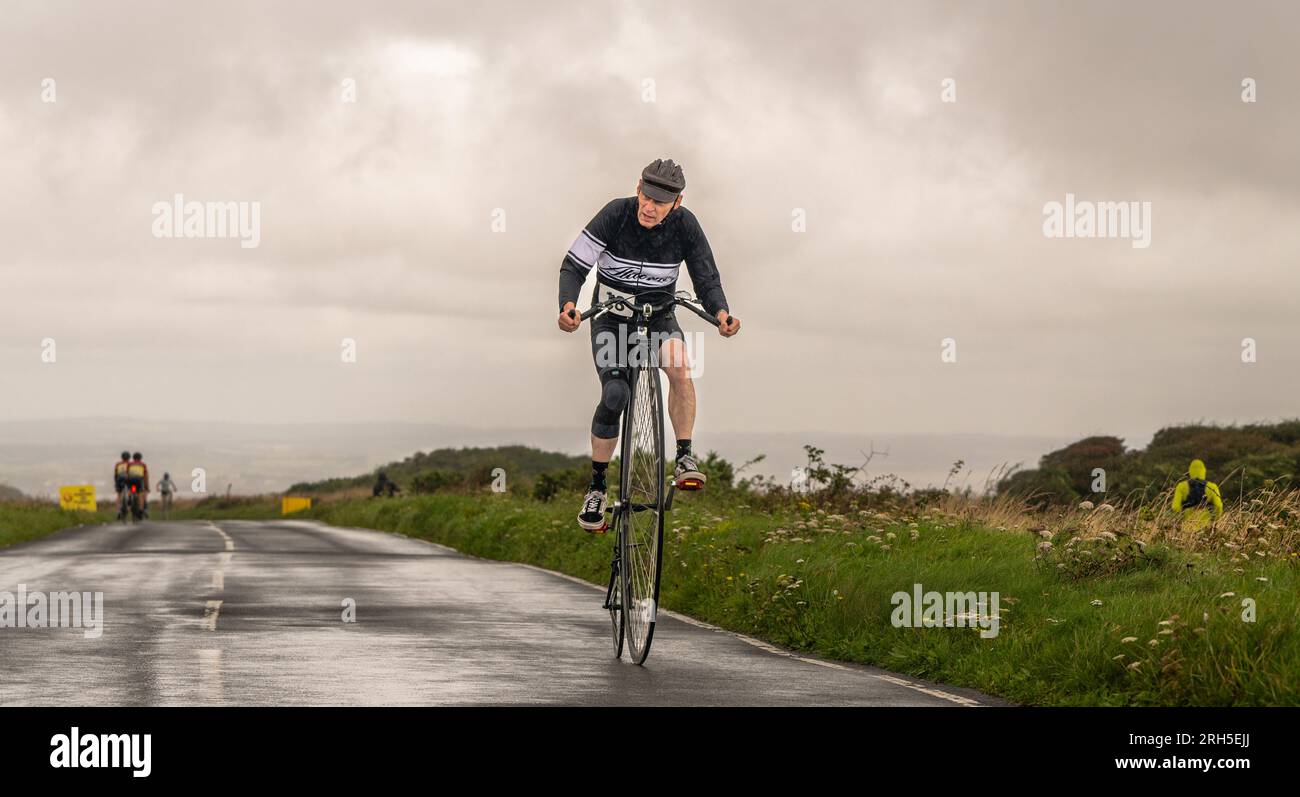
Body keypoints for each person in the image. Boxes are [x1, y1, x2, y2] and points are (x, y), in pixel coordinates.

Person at [556, 158, 740, 532]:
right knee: (616, 395)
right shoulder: (615, 214)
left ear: (678, 203)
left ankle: (685, 457)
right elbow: (574, 265)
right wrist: (569, 306)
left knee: (680, 367)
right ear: (637, 188)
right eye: (645, 196)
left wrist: (721, 312)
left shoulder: (686, 226)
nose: (649, 207)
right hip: (612, 316)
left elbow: (706, 278)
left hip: (659, 315)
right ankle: (597, 487)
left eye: (660, 202)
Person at [1171, 458, 1223, 529]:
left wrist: (1181, 518)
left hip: (1187, 527)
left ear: (1190, 470)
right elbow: (1219, 506)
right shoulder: (1212, 486)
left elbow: (1175, 507)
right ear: (1204, 470)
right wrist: (1215, 519)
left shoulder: (1181, 486)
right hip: (1206, 527)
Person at [125, 452, 150, 518]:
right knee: (140, 494)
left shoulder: (129, 464)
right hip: (139, 480)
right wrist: (146, 486)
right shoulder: (143, 464)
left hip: (131, 480)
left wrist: (127, 483)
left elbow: (127, 474)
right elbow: (145, 476)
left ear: (133, 458)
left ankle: (130, 499)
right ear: (140, 458)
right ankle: (141, 509)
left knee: (132, 490)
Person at [113, 451, 131, 519]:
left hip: (119, 479)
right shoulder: (130, 464)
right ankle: (129, 503)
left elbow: (115, 474)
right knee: (131, 491)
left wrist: (116, 482)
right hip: (128, 479)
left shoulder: (118, 464)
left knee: (119, 495)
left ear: (122, 457)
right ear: (129, 457)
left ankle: (118, 511)